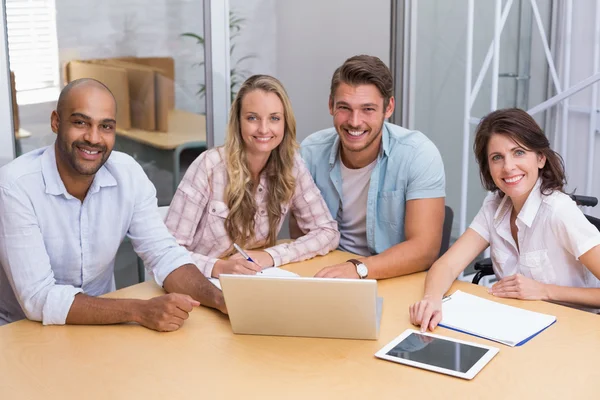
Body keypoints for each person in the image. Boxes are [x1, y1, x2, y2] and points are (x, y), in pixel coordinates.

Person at [0, 78, 226, 330]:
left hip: (103, 325)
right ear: (56, 122)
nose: (93, 138)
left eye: (105, 126)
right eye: (80, 122)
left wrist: (220, 300)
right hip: (22, 332)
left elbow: (164, 255)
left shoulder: (128, 174)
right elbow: (38, 297)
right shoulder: (15, 186)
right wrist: (138, 310)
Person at [410, 108, 600, 332]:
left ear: (540, 158)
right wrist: (432, 299)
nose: (508, 167)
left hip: (573, 333)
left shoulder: (559, 211)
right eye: (497, 158)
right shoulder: (494, 206)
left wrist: (544, 290)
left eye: (518, 152)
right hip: (516, 327)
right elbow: (447, 265)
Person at [165, 75, 339, 278]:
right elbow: (166, 251)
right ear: (238, 121)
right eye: (252, 118)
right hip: (203, 284)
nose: (264, 129)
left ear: (285, 122)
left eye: (274, 118)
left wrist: (270, 256)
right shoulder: (209, 166)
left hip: (256, 281)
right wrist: (218, 267)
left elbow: (327, 232)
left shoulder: (291, 165)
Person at [294, 55, 446, 279]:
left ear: (389, 107)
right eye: (345, 107)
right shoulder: (310, 152)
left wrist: (358, 269)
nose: (355, 122)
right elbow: (301, 235)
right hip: (326, 274)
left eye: (368, 109)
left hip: (393, 277)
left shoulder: (418, 155)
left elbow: (425, 249)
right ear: (331, 105)